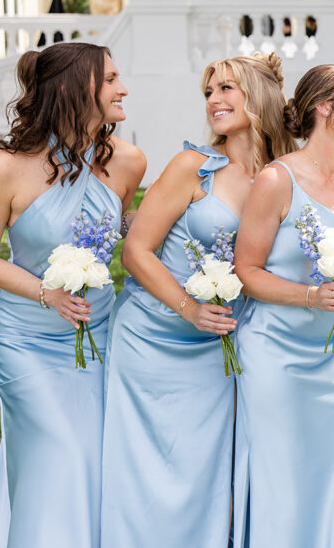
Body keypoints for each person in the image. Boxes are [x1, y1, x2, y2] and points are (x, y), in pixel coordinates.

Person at [99, 53, 294, 547]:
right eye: (209, 92)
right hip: (154, 337)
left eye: (227, 88)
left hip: (223, 345)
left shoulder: (285, 175)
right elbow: (136, 251)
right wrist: (190, 308)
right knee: (150, 471)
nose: (213, 100)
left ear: (260, 95)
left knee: (206, 468)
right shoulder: (194, 166)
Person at [0, 42, 145, 548]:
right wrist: (48, 293)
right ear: (74, 88)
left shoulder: (129, 162)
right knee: (58, 450)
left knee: (90, 456)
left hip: (98, 332)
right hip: (24, 338)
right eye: (110, 80)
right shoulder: (6, 168)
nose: (123, 89)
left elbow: (116, 226)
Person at [232, 64, 334, 547]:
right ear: (324, 107)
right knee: (281, 473)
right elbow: (246, 271)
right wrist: (310, 296)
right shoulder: (277, 179)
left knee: (331, 470)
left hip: (333, 356)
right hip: (272, 353)